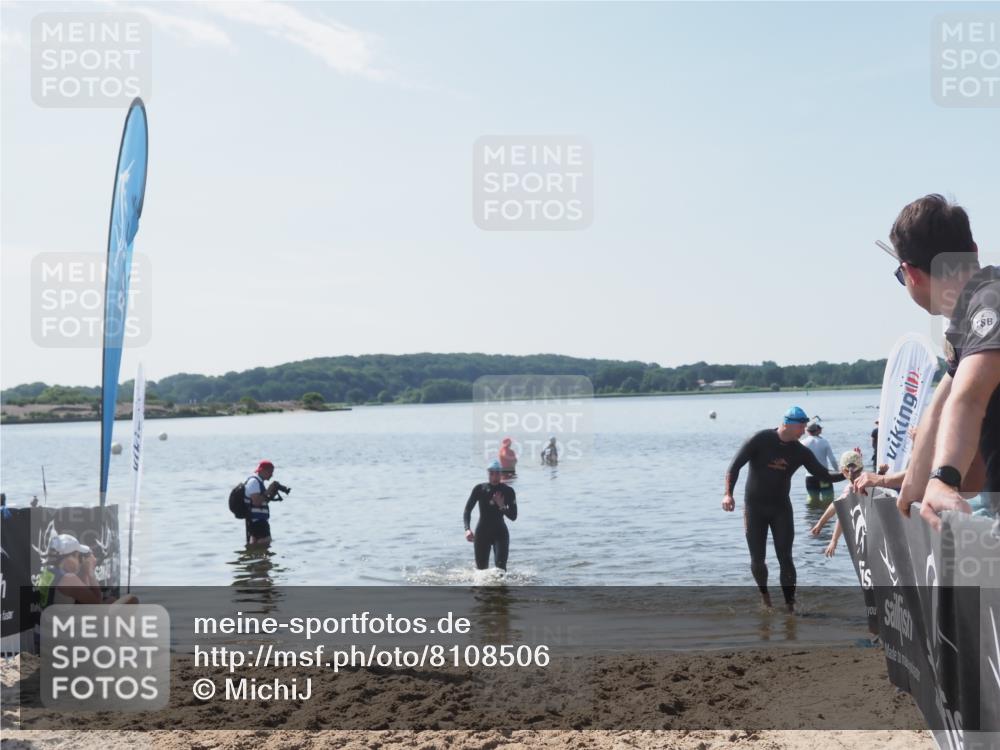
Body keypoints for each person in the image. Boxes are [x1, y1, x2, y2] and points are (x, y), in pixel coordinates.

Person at [880, 194, 1000, 528]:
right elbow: (941, 403)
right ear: (973, 251)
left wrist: (943, 479)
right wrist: (913, 487)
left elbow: (969, 397)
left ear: (910, 274)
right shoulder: (968, 320)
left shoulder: (991, 302)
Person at [722, 406, 844, 612]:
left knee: (785, 557)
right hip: (755, 509)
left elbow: (824, 475)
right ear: (787, 423)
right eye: (801, 425)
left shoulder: (800, 451)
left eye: (806, 425)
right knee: (758, 559)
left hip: (781, 509)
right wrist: (728, 494)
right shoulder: (759, 440)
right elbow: (734, 467)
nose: (804, 429)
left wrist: (851, 474)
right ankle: (766, 598)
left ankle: (789, 605)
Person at [811, 450, 867, 557]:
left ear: (843, 471)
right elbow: (836, 504)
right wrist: (820, 523)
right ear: (861, 467)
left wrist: (834, 540)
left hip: (864, 533)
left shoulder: (851, 489)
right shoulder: (869, 479)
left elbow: (841, 514)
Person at [463, 460, 517, 570]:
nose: (495, 475)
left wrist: (502, 506)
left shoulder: (508, 491)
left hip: (500, 533)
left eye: (497, 472)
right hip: (482, 533)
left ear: (501, 473)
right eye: (492, 472)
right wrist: (467, 529)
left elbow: (513, 516)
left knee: (501, 570)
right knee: (481, 571)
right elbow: (467, 510)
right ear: (488, 473)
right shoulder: (480, 489)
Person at [800, 419, 838, 504]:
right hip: (824, 476)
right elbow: (832, 460)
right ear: (817, 430)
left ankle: (813, 517)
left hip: (810, 477)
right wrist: (838, 471)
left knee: (812, 501)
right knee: (828, 501)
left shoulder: (802, 442)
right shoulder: (824, 442)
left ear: (807, 431)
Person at [244, 460, 281, 545]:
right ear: (263, 470)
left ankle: (254, 556)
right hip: (257, 521)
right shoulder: (254, 482)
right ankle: (260, 557)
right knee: (265, 542)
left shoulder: (259, 483)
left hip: (257, 521)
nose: (272, 475)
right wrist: (268, 491)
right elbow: (256, 502)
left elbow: (261, 502)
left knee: (255, 544)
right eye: (270, 472)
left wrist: (271, 494)